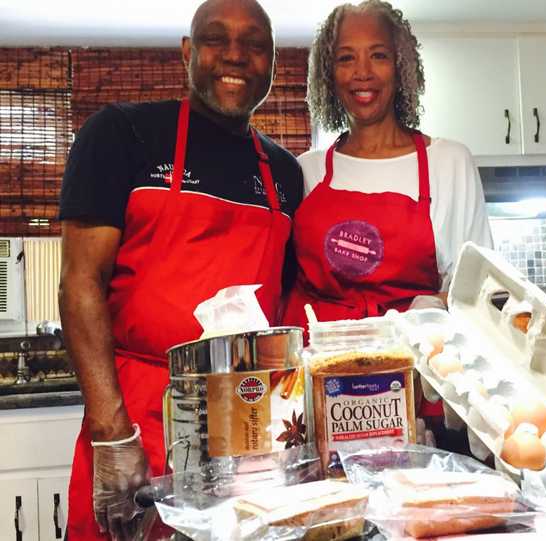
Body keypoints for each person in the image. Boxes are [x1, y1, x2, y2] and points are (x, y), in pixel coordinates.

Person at [58, 1, 303, 539]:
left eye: (254, 44)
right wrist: (110, 433)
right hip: (138, 416)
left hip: (248, 426)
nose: (235, 55)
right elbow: (79, 281)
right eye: (217, 39)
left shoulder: (285, 173)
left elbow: (285, 306)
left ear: (273, 64)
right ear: (189, 53)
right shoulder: (121, 135)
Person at [282, 0, 493, 329]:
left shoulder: (449, 162)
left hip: (414, 367)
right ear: (329, 74)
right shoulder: (307, 170)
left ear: (400, 66)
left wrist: (432, 309)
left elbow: (479, 290)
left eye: (378, 55)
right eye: (346, 58)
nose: (362, 72)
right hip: (323, 366)